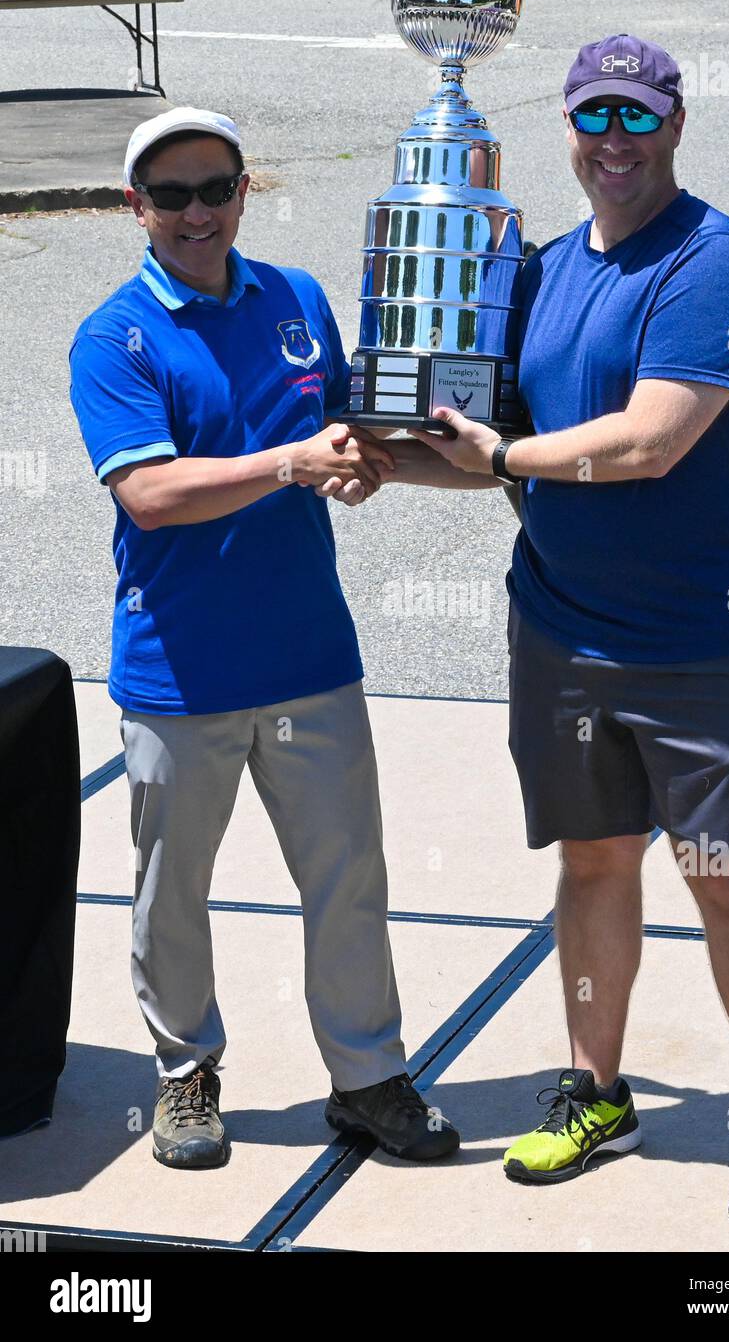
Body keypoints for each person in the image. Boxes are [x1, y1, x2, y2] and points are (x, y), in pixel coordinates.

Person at [360, 35, 729, 1225]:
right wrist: (380, 459)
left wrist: (503, 454)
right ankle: (593, 1090)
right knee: (592, 863)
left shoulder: (711, 261)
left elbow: (648, 439)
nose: (612, 142)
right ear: (565, 130)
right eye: (592, 119)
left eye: (635, 117)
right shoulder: (542, 267)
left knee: (723, 875)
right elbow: (502, 457)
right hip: (560, 632)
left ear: (673, 124)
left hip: (695, 638)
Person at [68, 107, 460, 1170]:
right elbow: (149, 492)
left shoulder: (295, 298)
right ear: (134, 209)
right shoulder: (115, 336)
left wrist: (457, 457)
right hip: (178, 665)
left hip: (308, 655)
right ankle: (184, 1071)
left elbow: (344, 430)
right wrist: (293, 462)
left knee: (346, 878)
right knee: (172, 887)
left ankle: (367, 1075)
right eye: (173, 195)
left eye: (216, 187)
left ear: (246, 189)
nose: (198, 213)